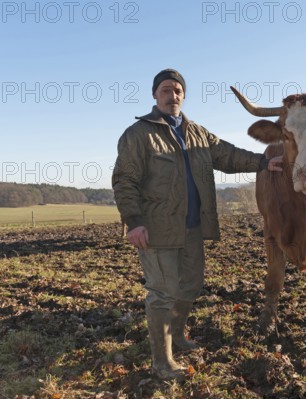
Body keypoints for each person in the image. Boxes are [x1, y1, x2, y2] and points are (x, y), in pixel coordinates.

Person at [112, 68, 282, 380]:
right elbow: (124, 181)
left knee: (189, 286)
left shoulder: (198, 133)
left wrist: (261, 162)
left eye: (177, 90)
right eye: (165, 90)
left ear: (184, 95)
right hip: (156, 230)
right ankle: (162, 361)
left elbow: (228, 156)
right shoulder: (138, 135)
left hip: (192, 229)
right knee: (162, 293)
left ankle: (176, 337)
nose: (172, 95)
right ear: (154, 95)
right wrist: (134, 222)